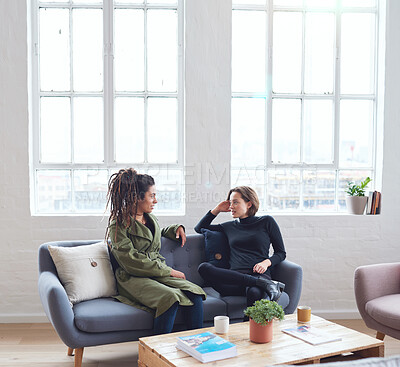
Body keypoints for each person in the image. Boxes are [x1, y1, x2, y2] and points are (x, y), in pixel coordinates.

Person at [106, 168, 206, 335]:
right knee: (169, 298)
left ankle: (197, 346)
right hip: (133, 277)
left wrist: (175, 228)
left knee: (194, 293)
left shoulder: (150, 218)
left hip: (155, 272)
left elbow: (153, 236)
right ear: (137, 197)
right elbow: (131, 260)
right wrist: (169, 271)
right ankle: (157, 355)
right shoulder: (118, 224)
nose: (155, 201)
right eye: (152, 196)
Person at [194, 186, 286, 309]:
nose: (231, 206)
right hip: (234, 279)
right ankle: (265, 285)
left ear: (249, 204)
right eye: (230, 202)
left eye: (235, 202)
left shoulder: (266, 221)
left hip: (258, 274)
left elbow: (281, 253)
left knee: (254, 292)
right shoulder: (229, 226)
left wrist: (266, 262)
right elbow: (199, 228)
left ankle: (247, 326)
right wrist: (217, 209)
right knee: (204, 268)